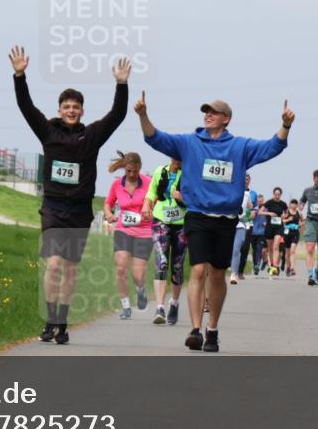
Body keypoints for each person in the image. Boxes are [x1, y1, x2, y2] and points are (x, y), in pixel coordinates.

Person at [136, 92, 294, 353]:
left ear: (226, 119)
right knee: (198, 270)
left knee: (218, 274)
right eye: (205, 111)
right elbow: (155, 138)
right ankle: (196, 330)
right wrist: (143, 115)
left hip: (226, 219)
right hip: (196, 215)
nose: (207, 115)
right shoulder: (190, 143)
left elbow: (272, 147)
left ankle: (212, 329)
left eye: (213, 112)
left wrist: (285, 126)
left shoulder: (240, 147)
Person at [11, 45, 130, 345]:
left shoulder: (90, 136)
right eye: (67, 106)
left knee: (71, 269)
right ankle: (50, 320)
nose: (72, 110)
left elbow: (117, 115)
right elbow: (26, 107)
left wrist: (121, 83)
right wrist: (19, 75)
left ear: (82, 111)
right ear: (60, 109)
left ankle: (62, 322)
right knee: (53, 265)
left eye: (76, 106)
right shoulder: (48, 132)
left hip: (78, 210)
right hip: (52, 207)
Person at [104, 152, 153, 320]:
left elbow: (156, 202)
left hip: (144, 232)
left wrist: (150, 211)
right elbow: (107, 204)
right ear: (125, 168)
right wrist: (109, 214)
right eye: (129, 171)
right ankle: (125, 307)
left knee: (138, 275)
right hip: (123, 230)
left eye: (135, 171)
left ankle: (141, 291)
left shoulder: (148, 183)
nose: (132, 175)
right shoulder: (117, 184)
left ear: (140, 169)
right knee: (121, 267)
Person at [144, 158, 187, 325]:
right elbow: (151, 192)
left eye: (180, 158)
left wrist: (182, 198)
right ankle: (159, 307)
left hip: (182, 223)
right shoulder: (160, 171)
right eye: (174, 157)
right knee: (161, 262)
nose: (177, 161)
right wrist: (146, 205)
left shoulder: (190, 174)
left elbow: (197, 200)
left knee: (177, 266)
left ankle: (174, 303)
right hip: (160, 220)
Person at [259, 188, 288, 277]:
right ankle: (272, 265)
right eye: (276, 194)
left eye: (278, 194)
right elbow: (260, 212)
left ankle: (275, 266)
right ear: (273, 194)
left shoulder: (283, 204)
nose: (277, 196)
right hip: (269, 227)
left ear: (281, 195)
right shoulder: (268, 202)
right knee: (270, 248)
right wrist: (269, 213)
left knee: (276, 246)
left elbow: (286, 213)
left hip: (279, 227)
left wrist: (284, 216)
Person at [282, 199, 302, 276]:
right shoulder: (286, 212)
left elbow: (302, 221)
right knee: (287, 252)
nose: (294, 205)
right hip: (287, 233)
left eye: (295, 204)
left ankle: (292, 268)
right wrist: (288, 220)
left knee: (292, 251)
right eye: (292, 203)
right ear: (290, 204)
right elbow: (281, 220)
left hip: (295, 233)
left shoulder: (299, 213)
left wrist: (300, 224)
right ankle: (288, 267)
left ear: (297, 205)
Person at [250, 193, 267, 275]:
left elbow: (270, 219)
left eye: (261, 201)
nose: (259, 202)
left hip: (262, 233)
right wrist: (253, 212)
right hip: (253, 232)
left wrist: (266, 223)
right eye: (258, 201)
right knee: (254, 250)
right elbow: (250, 218)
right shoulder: (254, 209)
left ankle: (257, 264)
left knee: (259, 249)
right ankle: (255, 265)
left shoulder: (267, 210)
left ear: (263, 201)